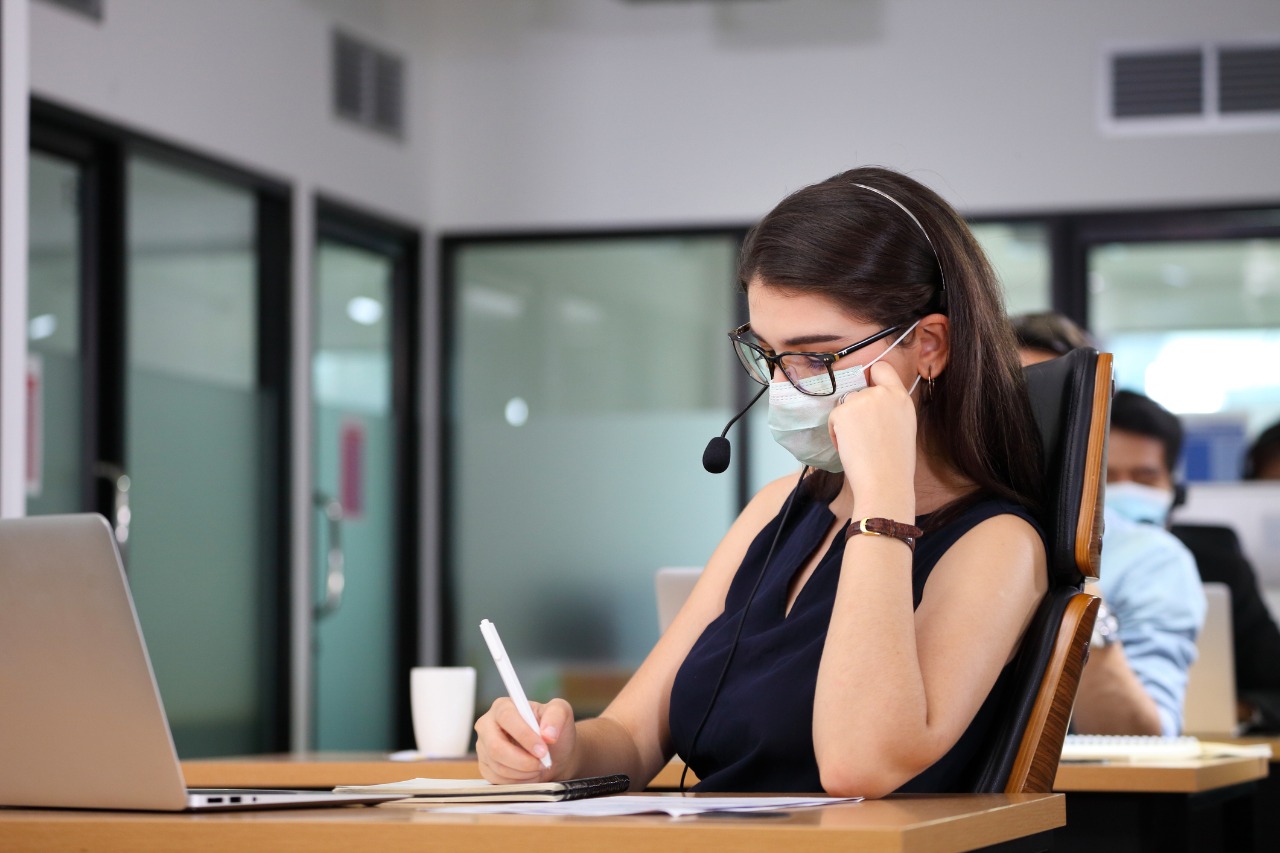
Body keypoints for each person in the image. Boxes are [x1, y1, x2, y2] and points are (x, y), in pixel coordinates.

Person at [476, 168, 1050, 798]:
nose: (784, 384)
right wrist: (558, 751)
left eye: (819, 355)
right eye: (768, 355)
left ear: (930, 345)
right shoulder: (780, 507)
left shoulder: (999, 544)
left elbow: (859, 765)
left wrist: (886, 495)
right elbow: (634, 739)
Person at [1012, 313, 1204, 735]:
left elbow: (1141, 738)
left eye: (1042, 405)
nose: (1019, 430)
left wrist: (1075, 585)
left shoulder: (1150, 558)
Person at [1108, 390, 1280, 730]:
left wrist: (1235, 711)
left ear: (1175, 490)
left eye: (1144, 478)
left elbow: (1274, 687)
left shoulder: (1218, 563)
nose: (1125, 491)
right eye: (1106, 478)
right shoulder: (1039, 558)